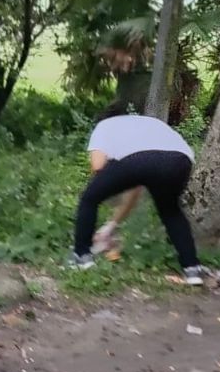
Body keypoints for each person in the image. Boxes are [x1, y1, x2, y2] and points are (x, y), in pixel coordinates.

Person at [70, 107, 205, 285]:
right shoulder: (147, 123)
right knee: (171, 211)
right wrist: (110, 226)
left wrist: (103, 185)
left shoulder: (103, 125)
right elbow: (137, 185)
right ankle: (192, 269)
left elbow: (98, 165)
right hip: (180, 161)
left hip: (138, 161)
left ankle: (81, 256)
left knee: (89, 199)